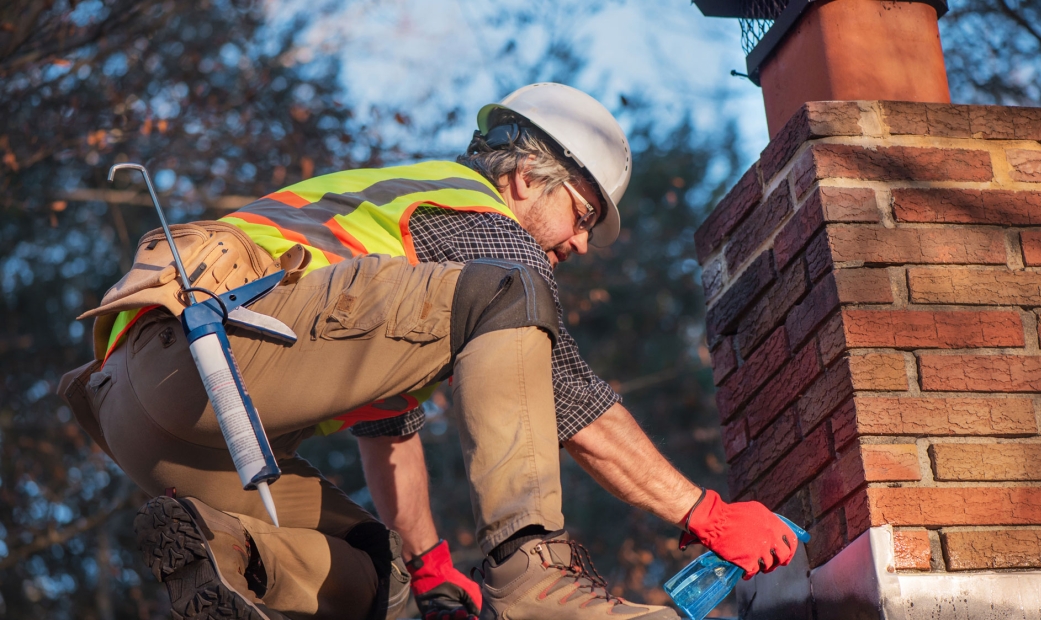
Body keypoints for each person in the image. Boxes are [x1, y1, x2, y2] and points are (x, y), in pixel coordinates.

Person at [60, 83, 795, 620]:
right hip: (200, 352)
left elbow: (388, 427)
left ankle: (228, 555)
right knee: (511, 296)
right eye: (581, 214)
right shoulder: (469, 208)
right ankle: (534, 571)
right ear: (522, 179)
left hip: (144, 416)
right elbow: (566, 392)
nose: (577, 243)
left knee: (388, 584)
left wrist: (432, 562)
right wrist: (704, 512)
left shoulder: (400, 277)